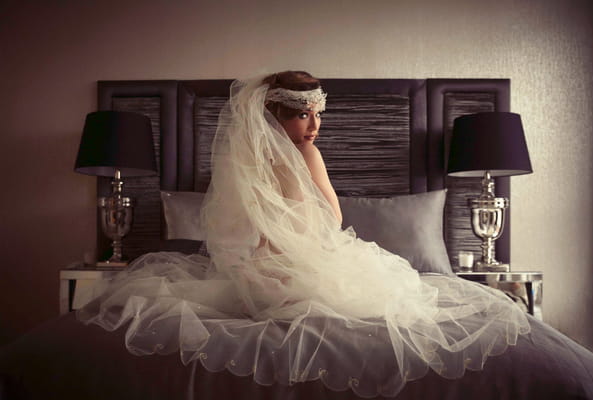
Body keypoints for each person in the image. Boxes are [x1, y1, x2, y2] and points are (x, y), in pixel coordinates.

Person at [78, 71, 530, 398]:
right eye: (303, 116)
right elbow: (330, 219)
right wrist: (289, 241)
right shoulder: (305, 155)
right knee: (357, 294)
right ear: (275, 116)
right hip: (287, 258)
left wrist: (270, 247)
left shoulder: (246, 159)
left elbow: (232, 227)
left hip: (258, 266)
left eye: (318, 114)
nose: (314, 125)